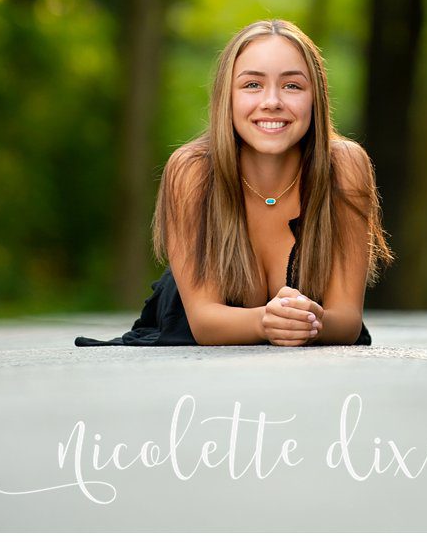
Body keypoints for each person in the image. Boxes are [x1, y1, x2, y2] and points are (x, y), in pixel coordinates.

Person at [78, 19, 393, 347]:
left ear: (316, 98)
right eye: (252, 85)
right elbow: (204, 323)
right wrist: (267, 322)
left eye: (292, 86)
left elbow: (347, 320)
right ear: (226, 97)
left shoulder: (345, 167)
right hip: (191, 367)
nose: (272, 101)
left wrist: (313, 322)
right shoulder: (192, 171)